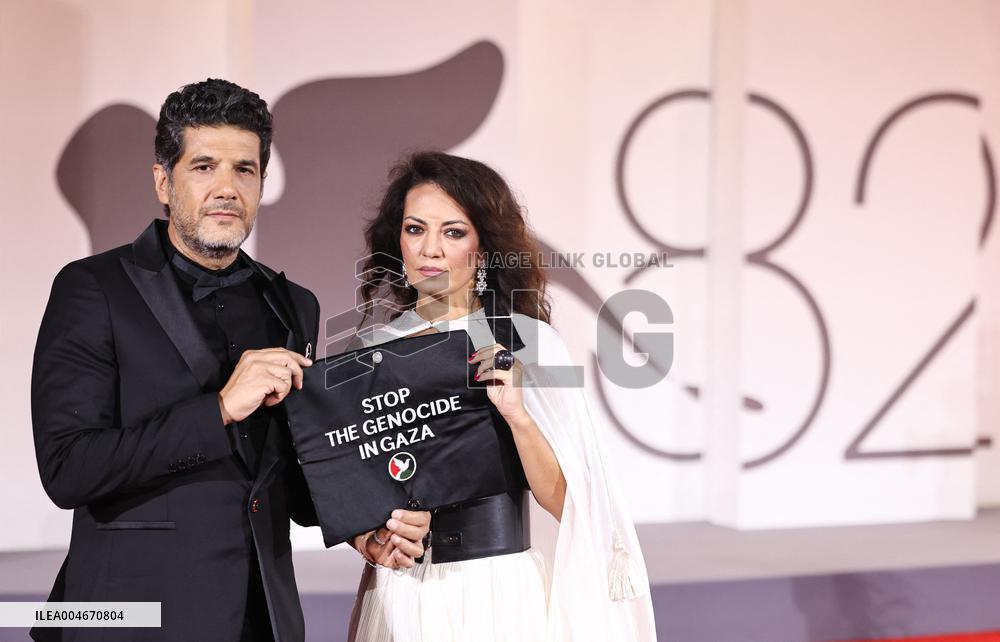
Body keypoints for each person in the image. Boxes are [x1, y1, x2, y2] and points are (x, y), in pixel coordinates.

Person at [30, 78, 429, 642]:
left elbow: (288, 469)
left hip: (260, 619)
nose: (226, 188)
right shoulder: (93, 289)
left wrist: (361, 528)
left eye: (244, 169)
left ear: (263, 183)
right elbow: (69, 468)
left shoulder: (295, 305)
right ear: (163, 182)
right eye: (204, 167)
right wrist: (217, 409)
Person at [345, 151, 657, 641]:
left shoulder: (530, 342)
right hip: (401, 593)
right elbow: (352, 485)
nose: (430, 249)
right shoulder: (371, 351)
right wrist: (368, 537)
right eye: (414, 229)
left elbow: (568, 503)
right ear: (396, 241)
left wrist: (519, 417)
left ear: (484, 247)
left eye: (453, 231)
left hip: (497, 593)